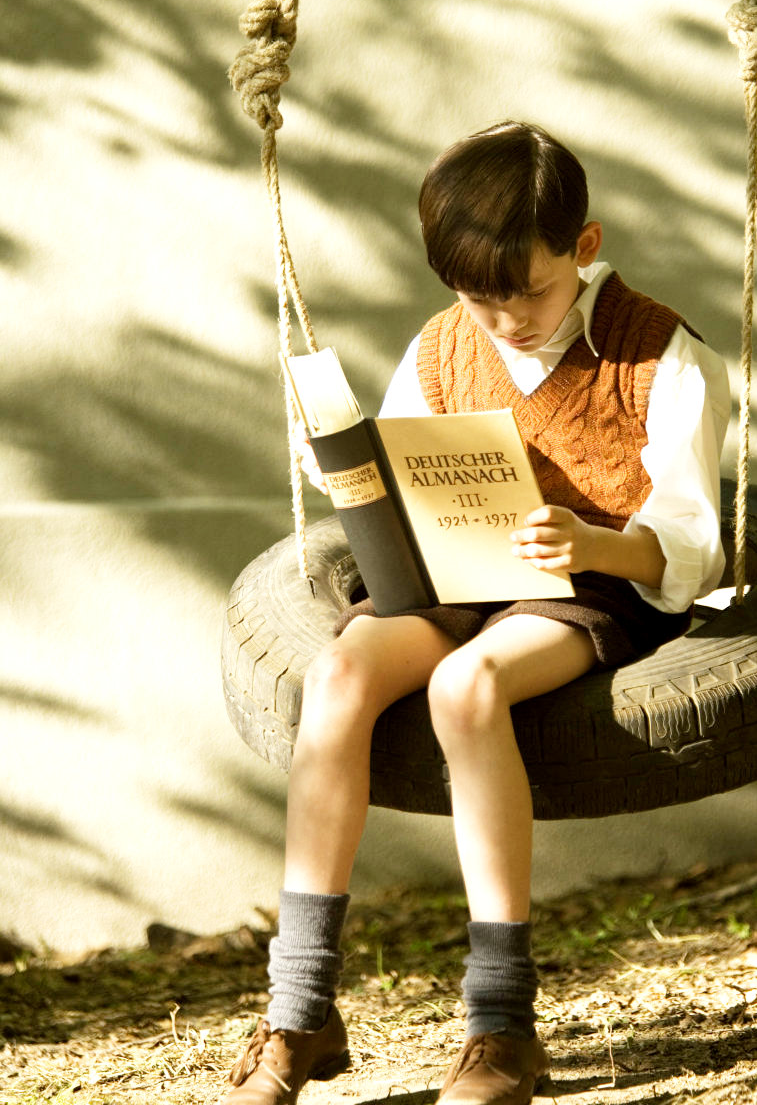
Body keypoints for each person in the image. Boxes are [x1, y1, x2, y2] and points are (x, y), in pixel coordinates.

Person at [223, 121, 730, 1105]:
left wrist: (594, 545)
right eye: (476, 301)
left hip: (590, 588)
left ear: (582, 249)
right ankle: (299, 1010)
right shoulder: (445, 346)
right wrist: (349, 475)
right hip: (457, 573)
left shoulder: (658, 352)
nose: (504, 324)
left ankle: (501, 1024)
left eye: (528, 294)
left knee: (469, 686)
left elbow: (695, 541)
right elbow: (410, 479)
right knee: (338, 678)